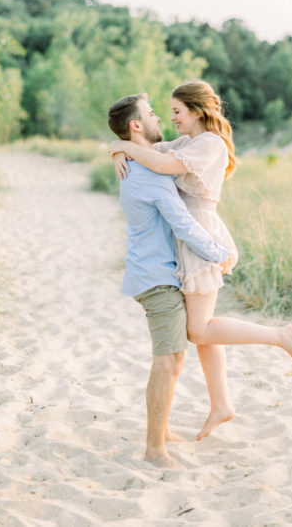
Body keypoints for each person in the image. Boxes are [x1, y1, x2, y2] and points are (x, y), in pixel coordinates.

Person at [109, 81, 292, 442]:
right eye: (166, 112)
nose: (170, 119)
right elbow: (149, 149)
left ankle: (280, 336)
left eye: (176, 112)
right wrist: (119, 146)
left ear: (197, 111)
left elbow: (159, 161)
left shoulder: (210, 145)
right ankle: (220, 404)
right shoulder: (187, 142)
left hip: (199, 234)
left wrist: (121, 145)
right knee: (203, 328)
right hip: (186, 240)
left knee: (199, 329)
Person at [107, 93, 233, 469]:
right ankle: (154, 448)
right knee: (168, 361)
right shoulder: (149, 174)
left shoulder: (139, 162)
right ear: (136, 125)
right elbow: (181, 222)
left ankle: (160, 434)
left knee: (174, 360)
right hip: (156, 278)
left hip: (157, 272)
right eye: (150, 113)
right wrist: (218, 253)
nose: (159, 116)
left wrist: (116, 147)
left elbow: (166, 153)